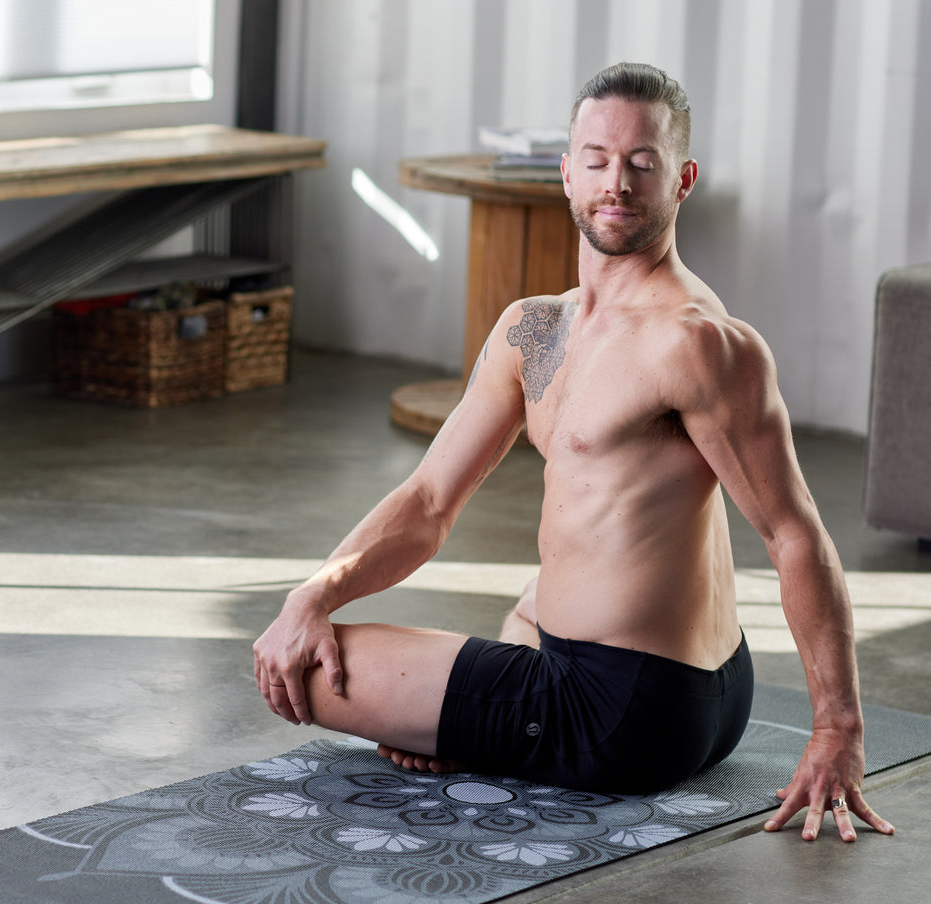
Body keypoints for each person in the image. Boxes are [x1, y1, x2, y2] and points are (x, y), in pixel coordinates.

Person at [253, 62, 894, 843]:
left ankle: (480, 729)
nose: (615, 183)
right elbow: (427, 502)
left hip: (628, 709)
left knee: (307, 671)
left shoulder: (698, 343)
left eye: (641, 163)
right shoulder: (533, 330)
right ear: (566, 173)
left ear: (682, 178)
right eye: (596, 159)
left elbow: (795, 534)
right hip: (683, 687)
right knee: (517, 598)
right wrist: (310, 596)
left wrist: (838, 729)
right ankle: (474, 718)